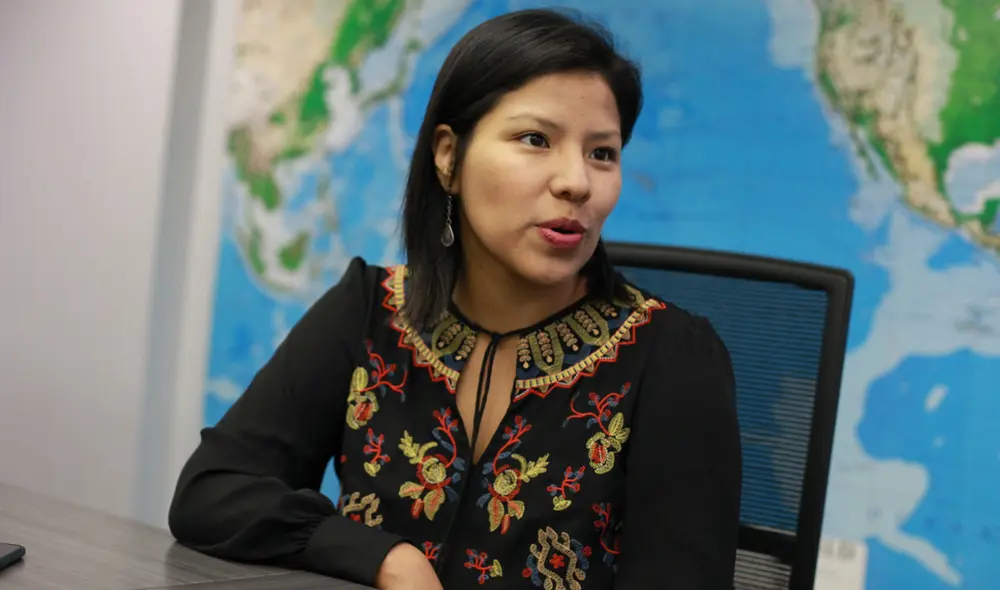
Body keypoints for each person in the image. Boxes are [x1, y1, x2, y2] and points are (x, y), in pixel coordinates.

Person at [168, 8, 742, 590]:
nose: (577, 182)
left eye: (602, 152)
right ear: (448, 157)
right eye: (535, 139)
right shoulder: (372, 309)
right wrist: (386, 558)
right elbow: (212, 491)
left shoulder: (673, 357)